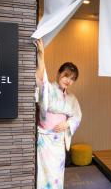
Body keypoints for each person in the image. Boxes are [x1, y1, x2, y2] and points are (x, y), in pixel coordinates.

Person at [35, 39, 82, 189]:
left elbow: (77, 116)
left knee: (57, 176)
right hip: (45, 140)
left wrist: (67, 123)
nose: (68, 80)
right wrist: (41, 55)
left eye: (72, 79)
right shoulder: (49, 88)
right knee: (44, 174)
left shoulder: (72, 98)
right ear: (58, 74)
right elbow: (40, 80)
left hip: (58, 142)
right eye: (66, 75)